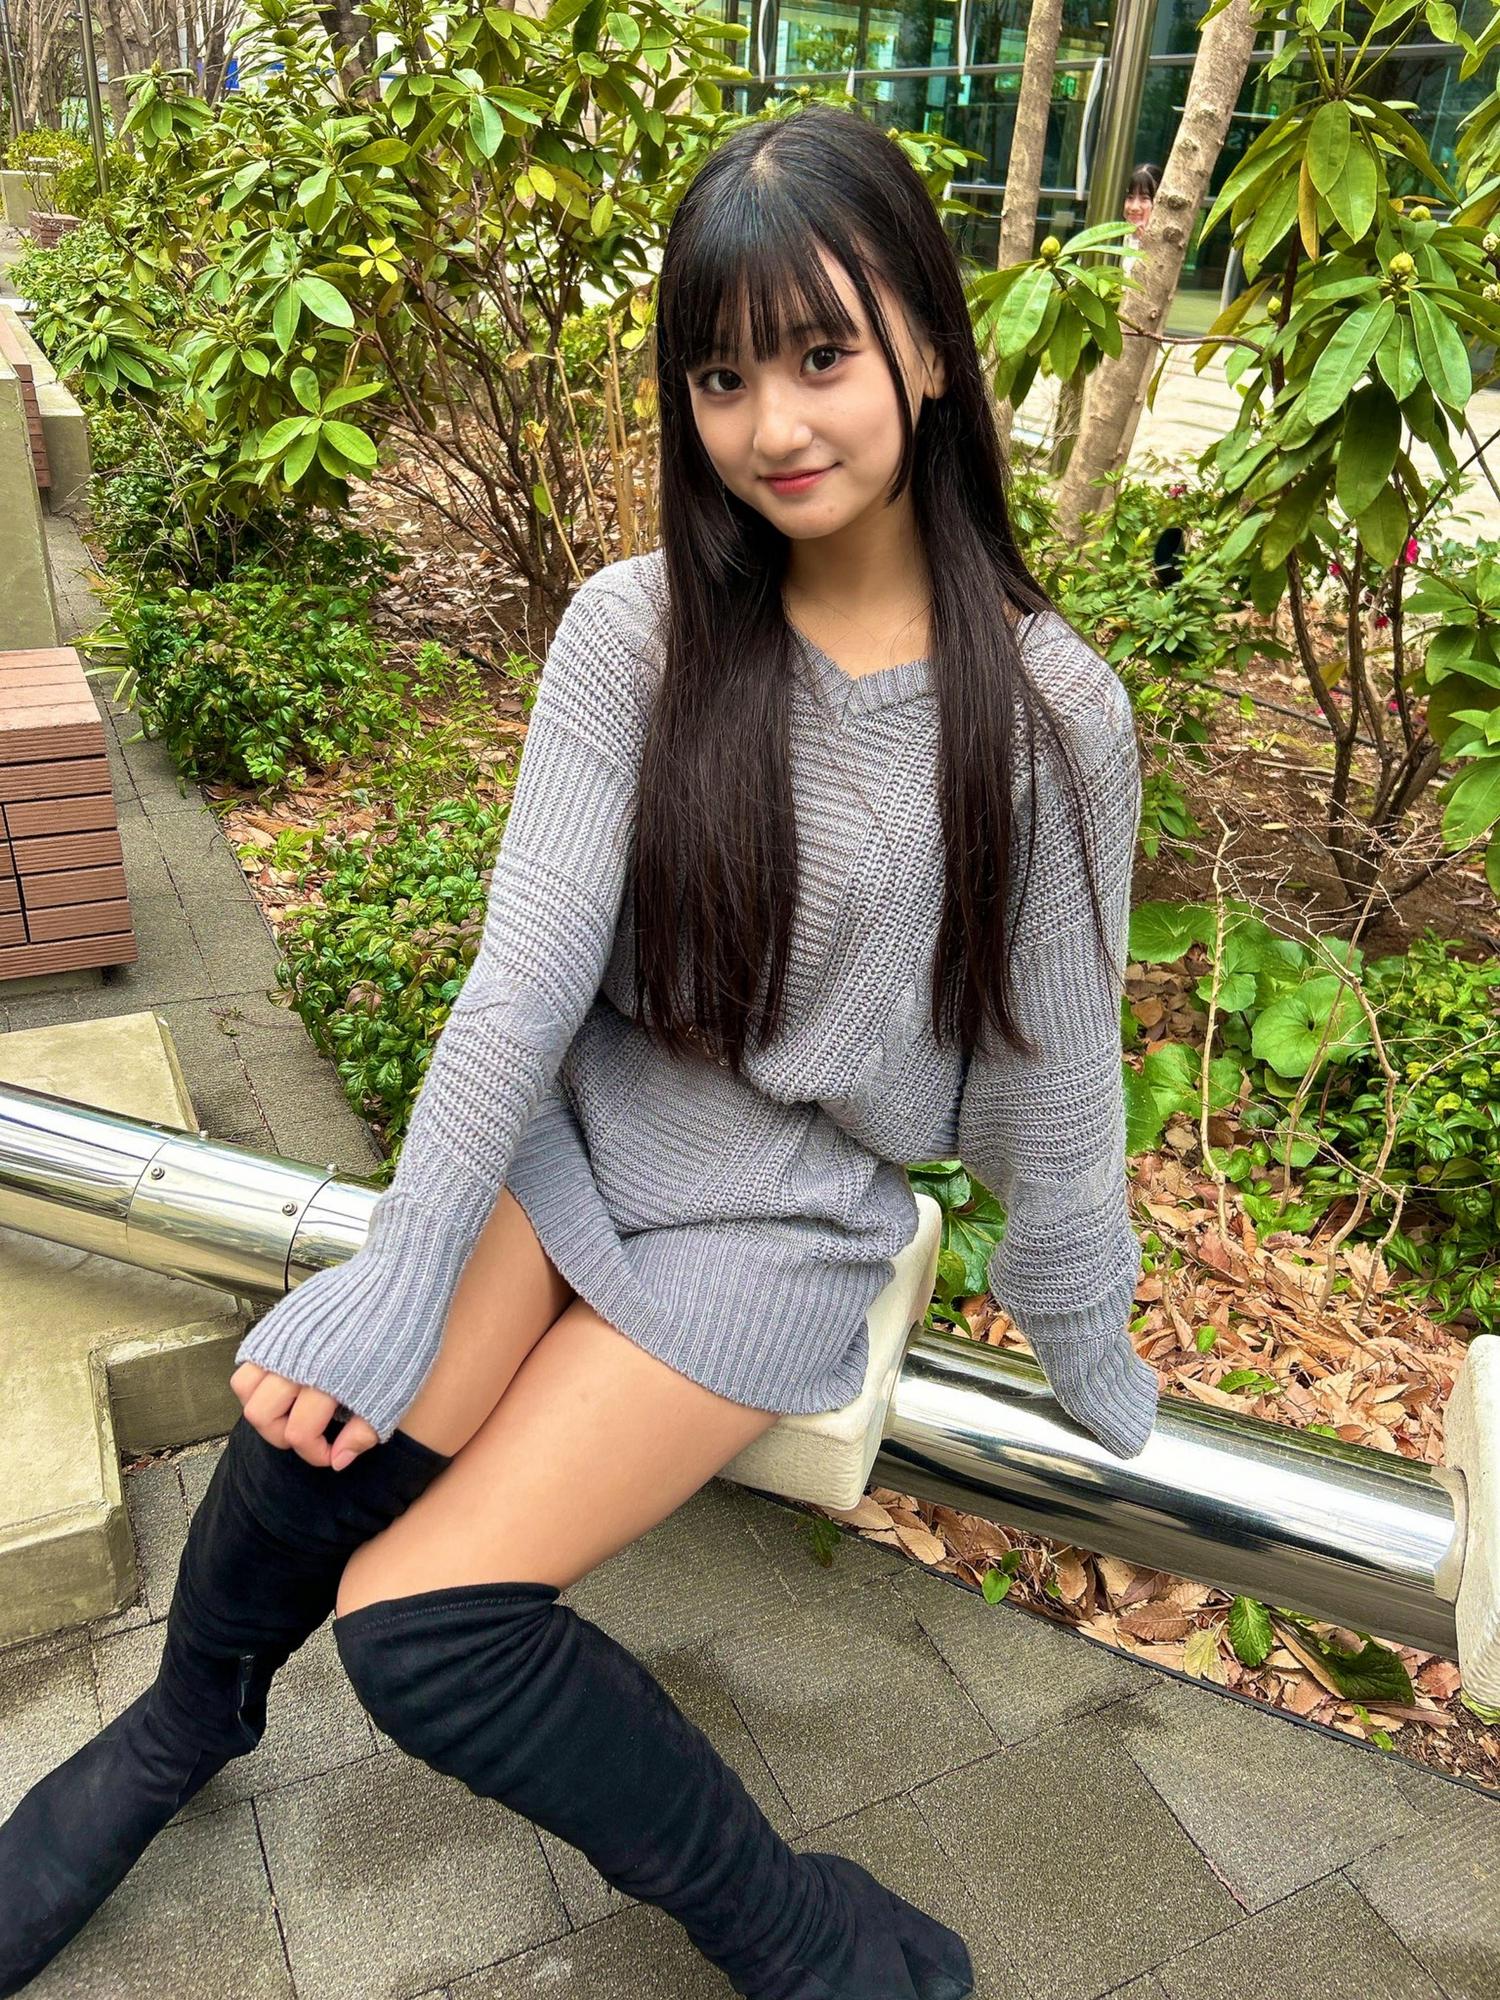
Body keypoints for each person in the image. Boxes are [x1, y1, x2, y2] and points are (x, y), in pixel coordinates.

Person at [0, 100, 1159, 2000]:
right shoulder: (636, 630)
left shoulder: (1050, 717)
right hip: (586, 1126)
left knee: (424, 1629)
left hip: (773, 1221)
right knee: (317, 1418)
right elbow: (524, 982)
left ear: (932, 352)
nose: (771, 423)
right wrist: (400, 1266)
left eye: (822, 355)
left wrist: (1082, 1316)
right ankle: (181, 1723)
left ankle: (792, 1929)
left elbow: (1054, 1069)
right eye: (722, 375)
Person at [1122, 161, 1162, 280]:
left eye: (1144, 198)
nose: (1134, 207)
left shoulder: (1164, 249)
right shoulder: (1111, 238)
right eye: (1130, 198)